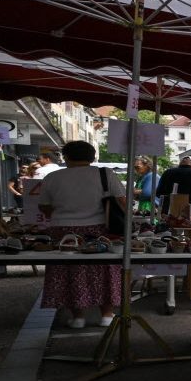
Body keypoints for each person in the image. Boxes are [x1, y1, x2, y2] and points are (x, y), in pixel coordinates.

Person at [37, 140, 122, 328]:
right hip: (99, 228)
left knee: (70, 271)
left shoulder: (53, 177)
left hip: (63, 229)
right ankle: (107, 314)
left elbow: (44, 205)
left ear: (65, 157)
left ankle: (78, 317)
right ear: (92, 157)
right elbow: (121, 200)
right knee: (104, 270)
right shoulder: (104, 174)